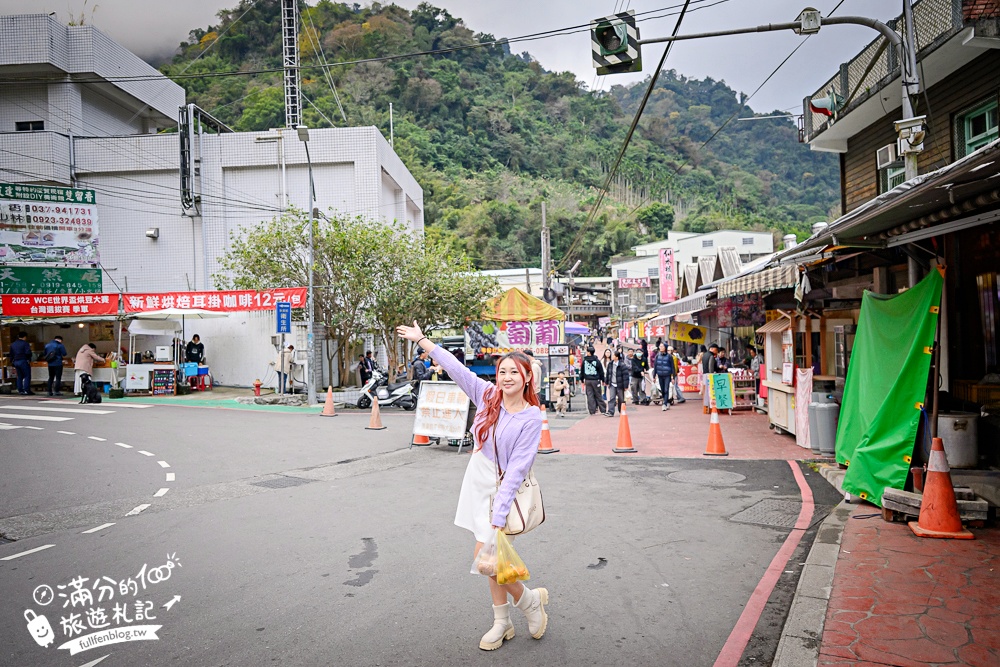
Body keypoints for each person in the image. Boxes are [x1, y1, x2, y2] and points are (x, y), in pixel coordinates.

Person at [396, 320, 549, 651]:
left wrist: (500, 514)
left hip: (502, 488)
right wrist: (423, 340)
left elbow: (517, 469)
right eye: (502, 371)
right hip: (477, 478)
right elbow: (454, 367)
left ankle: (526, 603)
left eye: (514, 372)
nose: (506, 377)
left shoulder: (532, 418)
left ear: (527, 378)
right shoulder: (487, 394)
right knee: (490, 559)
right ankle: (505, 620)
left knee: (486, 556)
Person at [579, 346, 606, 415]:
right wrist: (603, 380)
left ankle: (592, 411)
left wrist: (582, 380)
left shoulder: (584, 361)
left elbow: (582, 371)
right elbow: (601, 371)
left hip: (587, 380)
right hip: (596, 380)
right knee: (598, 395)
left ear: (589, 352)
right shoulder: (597, 361)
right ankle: (603, 409)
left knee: (590, 396)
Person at [605, 349, 630, 417]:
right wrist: (606, 381)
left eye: (613, 355)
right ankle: (611, 412)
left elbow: (625, 376)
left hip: (620, 384)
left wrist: (625, 386)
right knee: (612, 398)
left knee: (621, 399)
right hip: (612, 384)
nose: (612, 356)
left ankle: (621, 410)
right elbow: (608, 374)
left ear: (617, 357)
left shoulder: (622, 365)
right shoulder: (610, 364)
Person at [654, 342, 676, 411]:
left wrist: (673, 377)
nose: (660, 347)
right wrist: (654, 376)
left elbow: (673, 367)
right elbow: (655, 366)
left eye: (662, 346)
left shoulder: (669, 356)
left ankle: (664, 404)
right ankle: (667, 401)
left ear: (665, 348)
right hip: (660, 375)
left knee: (666, 389)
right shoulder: (657, 356)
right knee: (663, 390)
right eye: (660, 346)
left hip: (667, 375)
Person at [702, 343, 719, 412]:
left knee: (705, 392)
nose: (717, 351)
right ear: (712, 349)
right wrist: (712, 375)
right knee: (710, 392)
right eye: (716, 350)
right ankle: (710, 406)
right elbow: (711, 367)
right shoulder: (711, 356)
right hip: (709, 376)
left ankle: (706, 406)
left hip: (704, 375)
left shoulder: (705, 355)